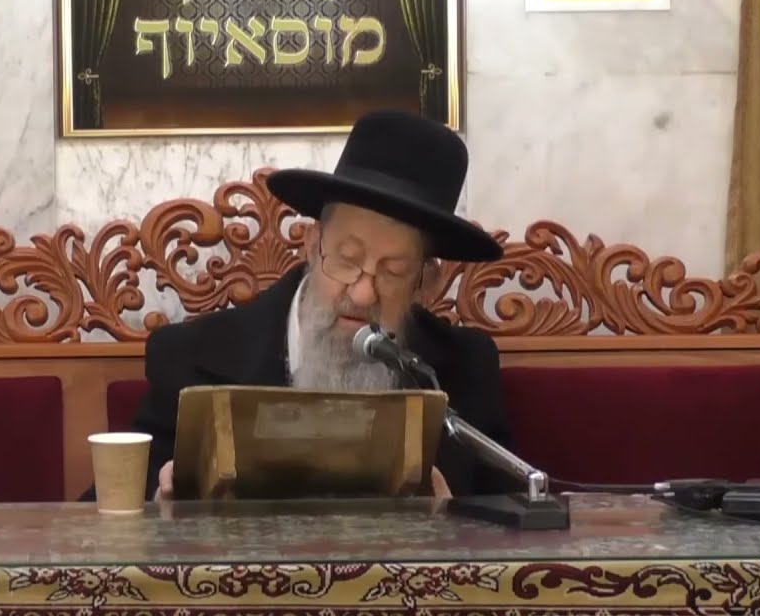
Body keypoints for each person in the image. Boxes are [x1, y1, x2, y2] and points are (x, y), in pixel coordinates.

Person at [131, 110, 518, 501]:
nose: (363, 294)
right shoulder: (190, 358)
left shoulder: (463, 370)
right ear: (312, 245)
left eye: (393, 272)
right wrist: (163, 507)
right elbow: (116, 509)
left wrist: (455, 518)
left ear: (426, 282)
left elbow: (516, 517)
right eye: (347, 259)